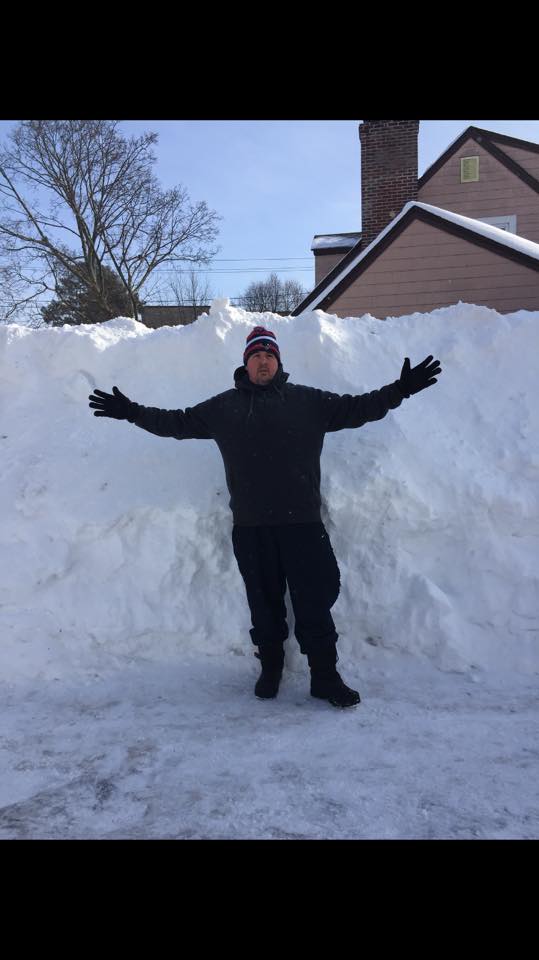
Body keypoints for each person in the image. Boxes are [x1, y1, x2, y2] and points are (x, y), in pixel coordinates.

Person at [89, 326, 442, 708]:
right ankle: (270, 667)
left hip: (303, 524)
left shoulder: (308, 402)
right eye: (256, 355)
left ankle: (325, 676)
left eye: (269, 355)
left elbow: (359, 408)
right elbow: (176, 422)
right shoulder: (223, 408)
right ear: (245, 363)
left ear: (279, 361)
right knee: (263, 602)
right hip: (252, 527)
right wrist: (132, 413)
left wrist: (400, 389)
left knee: (315, 601)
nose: (263, 361)